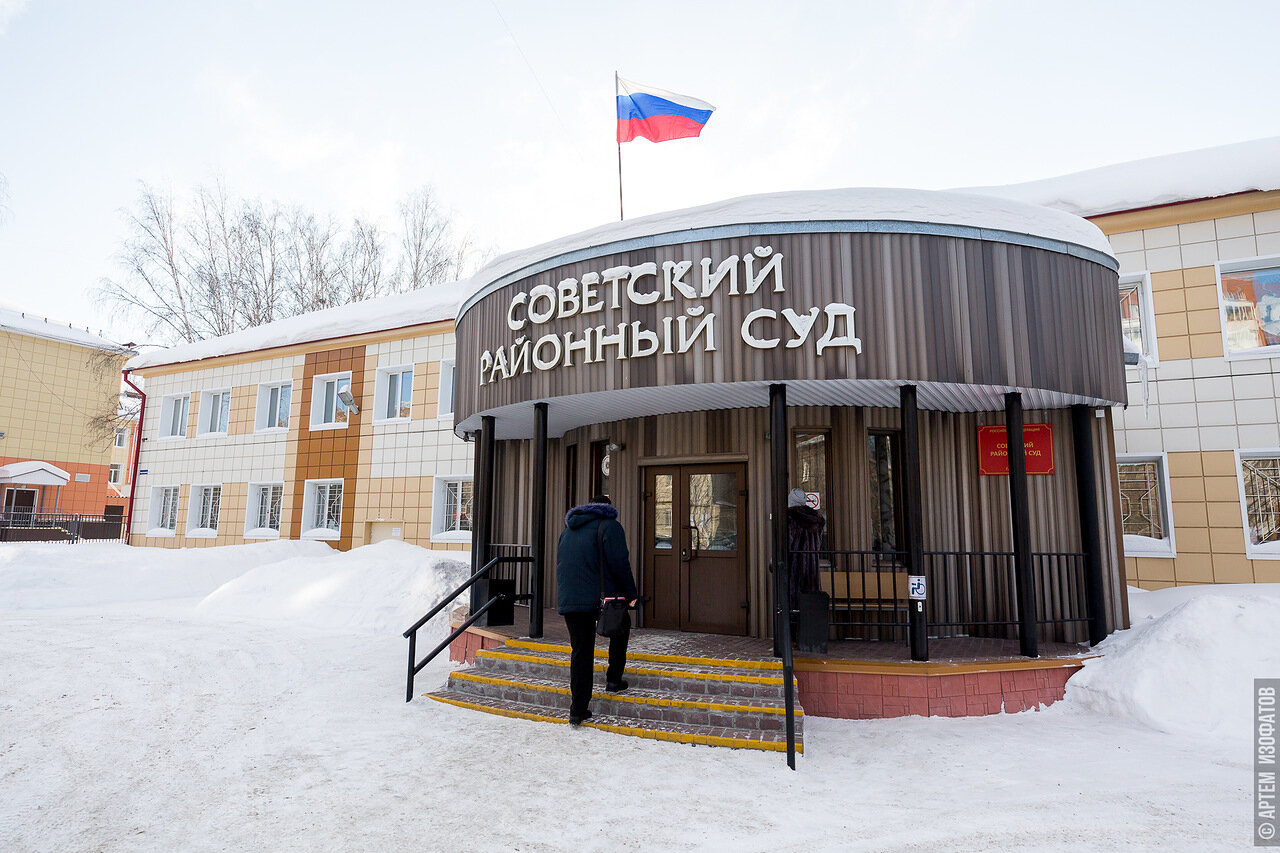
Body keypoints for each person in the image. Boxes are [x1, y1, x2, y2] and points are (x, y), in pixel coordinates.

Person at [556, 494, 639, 726]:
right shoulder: (610, 526)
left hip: (571, 599)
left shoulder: (568, 531)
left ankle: (577, 710)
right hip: (602, 598)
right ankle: (613, 679)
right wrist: (631, 594)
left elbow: (562, 564)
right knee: (621, 627)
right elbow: (620, 562)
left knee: (581, 651)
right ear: (607, 508)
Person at [787, 487, 825, 601]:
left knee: (794, 599)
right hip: (812, 565)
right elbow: (819, 543)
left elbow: (788, 541)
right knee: (810, 598)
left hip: (795, 564)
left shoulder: (790, 517)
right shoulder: (817, 519)